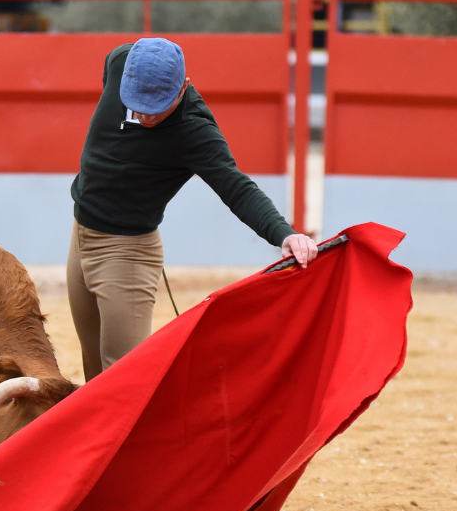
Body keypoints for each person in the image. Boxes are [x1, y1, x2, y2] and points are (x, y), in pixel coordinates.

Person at [67, 36, 316, 380]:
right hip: (78, 237)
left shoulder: (194, 131)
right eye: (137, 102)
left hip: (126, 256)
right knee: (92, 369)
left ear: (182, 88)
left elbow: (236, 187)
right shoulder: (120, 62)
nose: (144, 115)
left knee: (122, 380)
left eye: (156, 106)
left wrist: (284, 234)